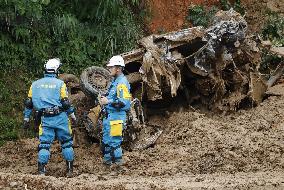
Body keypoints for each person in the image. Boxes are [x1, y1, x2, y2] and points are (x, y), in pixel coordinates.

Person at [23, 58, 76, 177]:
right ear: (56, 70)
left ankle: (41, 171)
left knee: (44, 145)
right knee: (67, 143)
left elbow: (28, 103)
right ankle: (69, 170)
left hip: (45, 119)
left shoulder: (34, 84)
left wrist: (26, 118)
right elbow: (65, 103)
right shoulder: (60, 84)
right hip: (61, 118)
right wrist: (72, 116)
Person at [100, 55, 131, 167]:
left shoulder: (122, 82)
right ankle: (108, 164)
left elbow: (124, 102)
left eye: (111, 67)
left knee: (115, 143)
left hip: (117, 117)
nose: (109, 69)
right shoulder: (115, 81)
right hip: (110, 117)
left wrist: (108, 101)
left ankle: (118, 166)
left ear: (118, 68)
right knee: (107, 142)